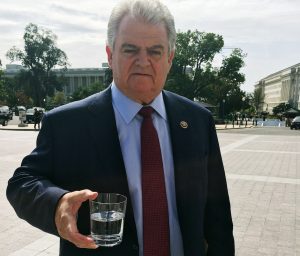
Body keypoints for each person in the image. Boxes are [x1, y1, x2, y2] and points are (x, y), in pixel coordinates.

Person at [6, 0, 234, 255]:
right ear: (110, 54)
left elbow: (218, 217)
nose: (143, 61)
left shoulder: (197, 121)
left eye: (155, 51)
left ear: (170, 58)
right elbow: (22, 183)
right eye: (130, 50)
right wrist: (57, 203)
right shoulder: (67, 124)